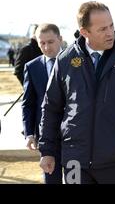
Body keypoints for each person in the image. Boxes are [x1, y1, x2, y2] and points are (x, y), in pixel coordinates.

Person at [39, 1, 115, 184]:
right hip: (75, 161)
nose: (110, 33)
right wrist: (47, 151)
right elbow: (51, 107)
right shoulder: (65, 60)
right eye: (102, 29)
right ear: (85, 32)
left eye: (111, 26)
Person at [22, 23, 63, 184]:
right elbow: (28, 103)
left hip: (74, 136)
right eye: (42, 43)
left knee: (77, 178)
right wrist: (29, 133)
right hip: (47, 136)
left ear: (60, 39)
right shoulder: (32, 67)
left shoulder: (75, 63)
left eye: (51, 42)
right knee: (51, 178)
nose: (46, 47)